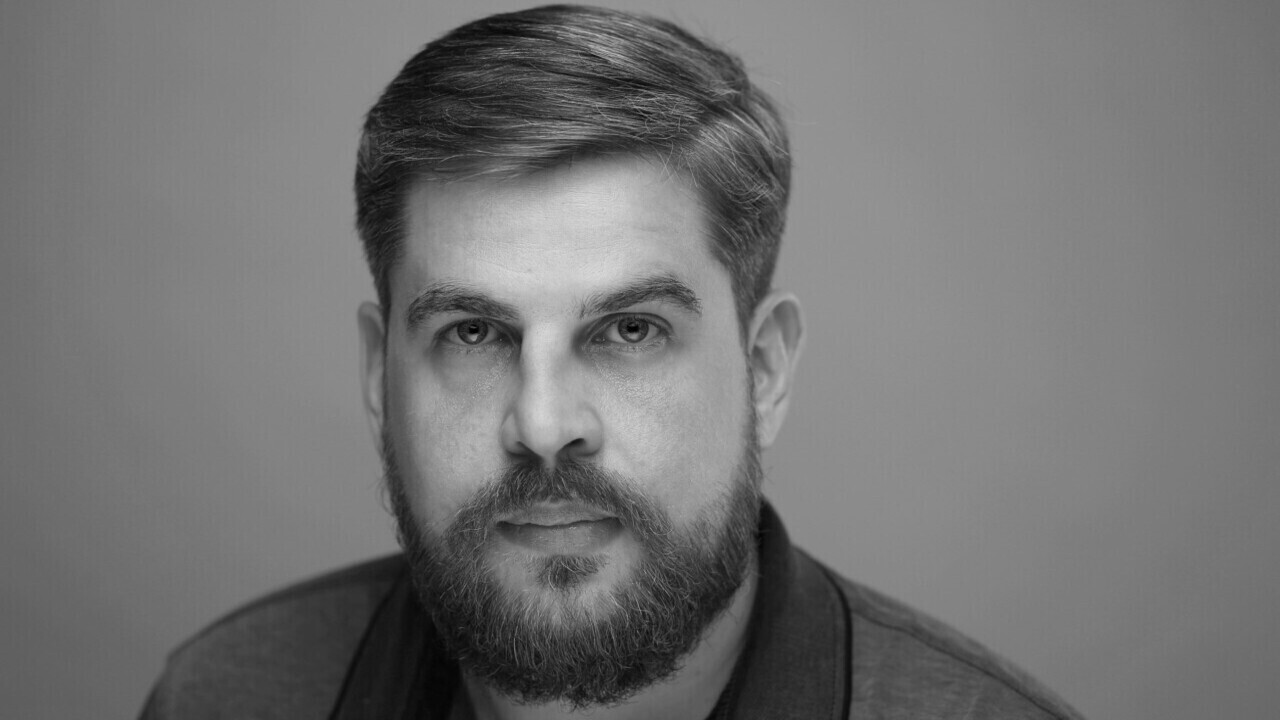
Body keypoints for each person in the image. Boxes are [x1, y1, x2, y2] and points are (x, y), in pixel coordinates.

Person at [141, 5, 1085, 719]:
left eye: (631, 330)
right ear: (377, 375)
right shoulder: (222, 697)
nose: (545, 425)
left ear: (763, 369)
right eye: (473, 334)